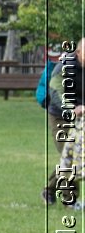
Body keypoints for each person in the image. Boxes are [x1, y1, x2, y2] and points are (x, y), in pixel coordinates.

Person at [43, 43, 81, 205]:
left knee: (74, 158)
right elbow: (56, 90)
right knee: (70, 156)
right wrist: (71, 108)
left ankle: (50, 189)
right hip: (60, 116)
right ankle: (70, 199)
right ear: (78, 52)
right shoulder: (65, 66)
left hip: (81, 118)